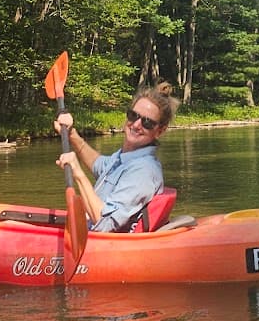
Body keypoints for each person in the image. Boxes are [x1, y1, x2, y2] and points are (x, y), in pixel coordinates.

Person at [54, 85, 175, 233]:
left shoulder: (143, 171)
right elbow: (98, 165)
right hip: (88, 231)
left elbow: (104, 223)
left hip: (101, 244)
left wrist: (78, 174)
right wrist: (71, 133)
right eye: (133, 115)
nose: (136, 125)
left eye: (147, 122)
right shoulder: (125, 158)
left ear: (160, 131)